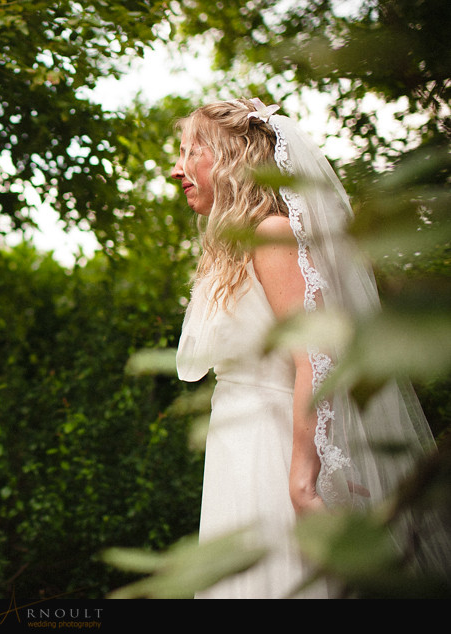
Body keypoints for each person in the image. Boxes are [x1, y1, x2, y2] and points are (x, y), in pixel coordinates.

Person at [171, 98, 449, 598]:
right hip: (238, 446)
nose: (178, 169)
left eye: (192, 152)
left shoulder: (271, 234)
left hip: (274, 450)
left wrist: (303, 477)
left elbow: (316, 360)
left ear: (233, 158)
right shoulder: (232, 244)